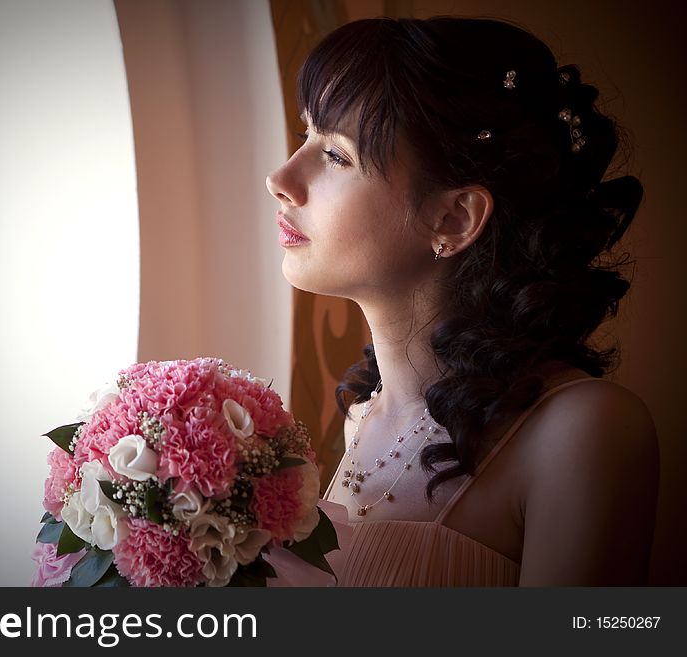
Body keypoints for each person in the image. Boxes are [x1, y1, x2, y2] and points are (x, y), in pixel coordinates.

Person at [265, 16, 659, 586]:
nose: (281, 177)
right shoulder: (362, 420)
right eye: (306, 136)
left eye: (336, 155)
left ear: (454, 218)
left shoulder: (582, 431)